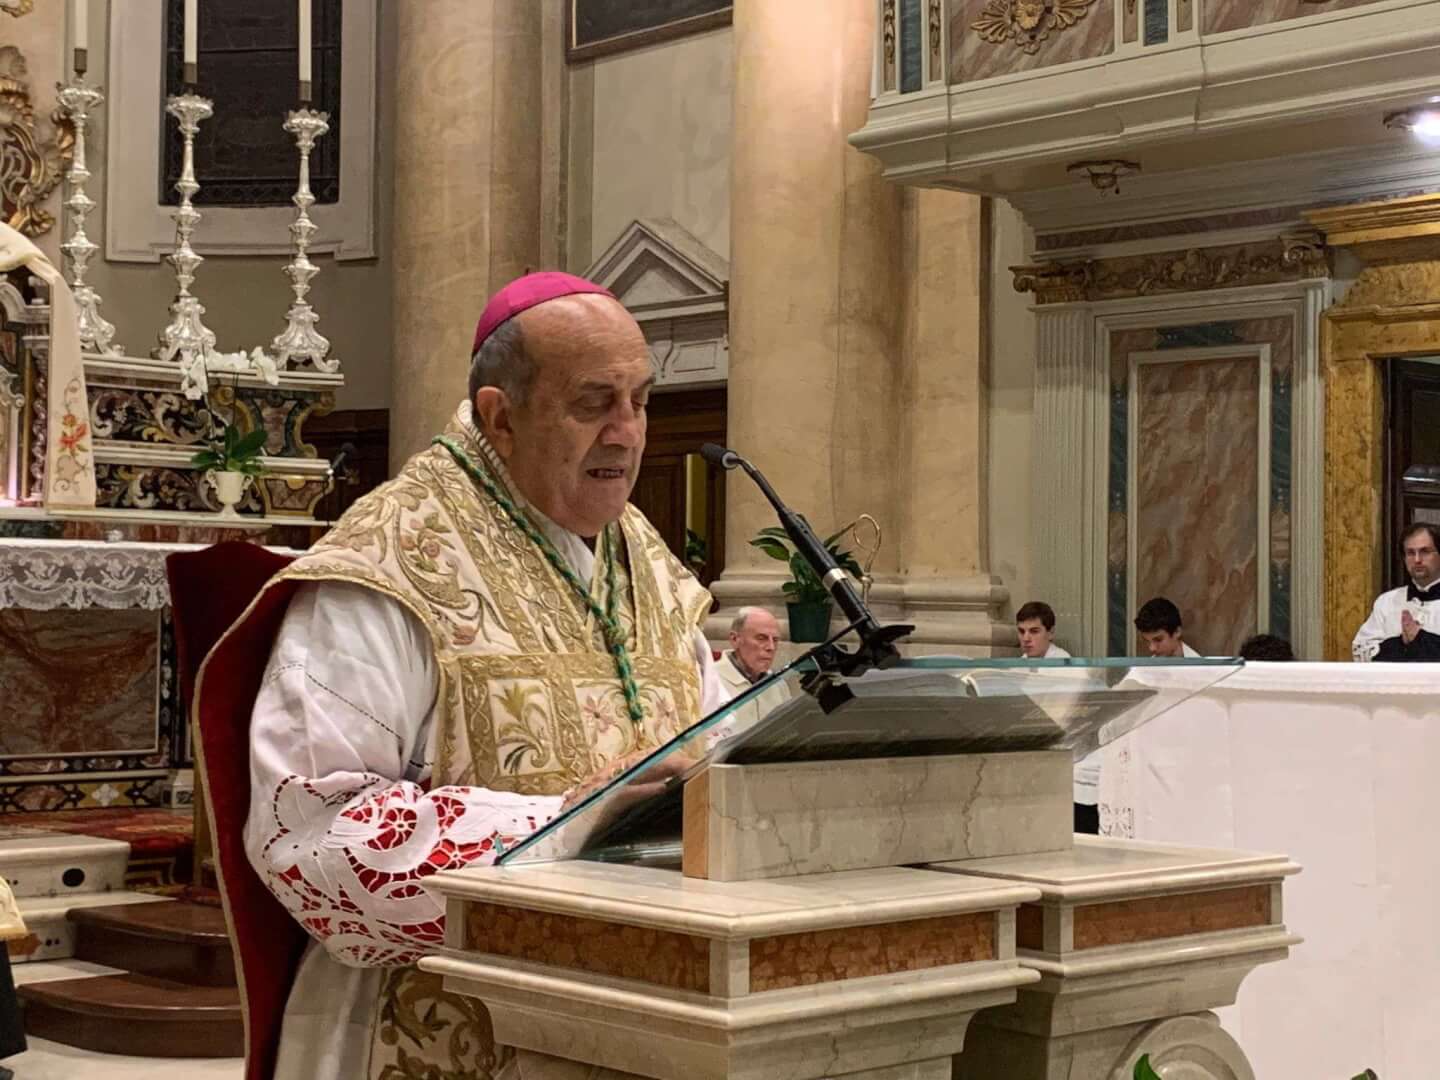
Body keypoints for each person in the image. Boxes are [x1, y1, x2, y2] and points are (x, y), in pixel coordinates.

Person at [223, 272, 728, 1080]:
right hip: (429, 1024)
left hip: (645, 1014)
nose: (628, 433)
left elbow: (719, 751)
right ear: (501, 415)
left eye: (640, 401)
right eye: (594, 404)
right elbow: (309, 833)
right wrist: (564, 826)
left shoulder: (649, 565)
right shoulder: (391, 561)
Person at [1015, 601, 1099, 834]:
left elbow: (1073, 725)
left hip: (1068, 760)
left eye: (1034, 631)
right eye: (1021, 631)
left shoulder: (1071, 671)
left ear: (1050, 633)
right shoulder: (1016, 668)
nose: (1026, 639)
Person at [1352, 523, 1440, 662]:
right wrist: (1401, 643)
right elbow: (1361, 651)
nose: (1417, 560)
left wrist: (1421, 639)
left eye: (1425, 551)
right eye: (1410, 553)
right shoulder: (1386, 602)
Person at [714, 607, 793, 732]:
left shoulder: (777, 684)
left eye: (775, 640)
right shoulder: (710, 682)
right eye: (761, 638)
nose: (771, 647)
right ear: (735, 639)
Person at [1133, 597, 1201, 658]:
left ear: (1177, 632)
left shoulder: (1202, 667)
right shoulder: (1141, 668)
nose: (1152, 648)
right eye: (1147, 641)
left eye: (1158, 640)